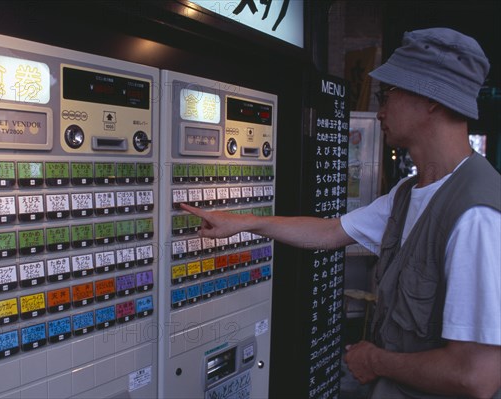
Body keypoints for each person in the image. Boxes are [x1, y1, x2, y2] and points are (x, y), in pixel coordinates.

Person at [181, 27, 501, 398]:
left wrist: (376, 361)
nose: (381, 110)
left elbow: (475, 376)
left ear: (430, 98)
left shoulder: (476, 216)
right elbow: (331, 231)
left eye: (388, 94)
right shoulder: (410, 192)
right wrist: (242, 222)